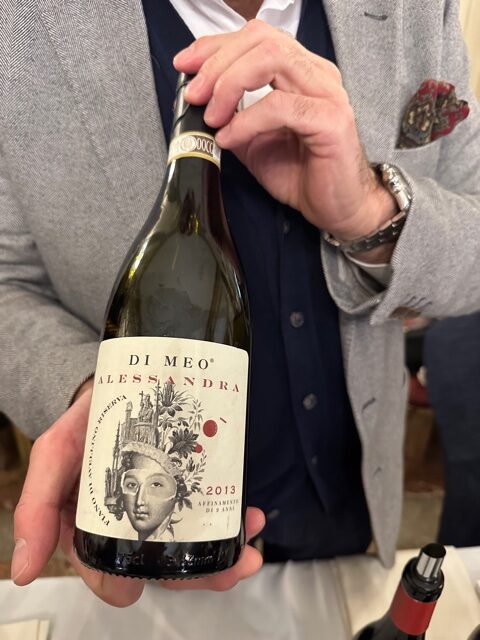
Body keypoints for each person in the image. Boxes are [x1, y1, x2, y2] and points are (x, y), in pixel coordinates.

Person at [2, 0, 480, 608]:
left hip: (352, 504)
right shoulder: (16, 25)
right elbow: (6, 281)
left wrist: (370, 211)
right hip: (151, 542)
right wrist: (91, 393)